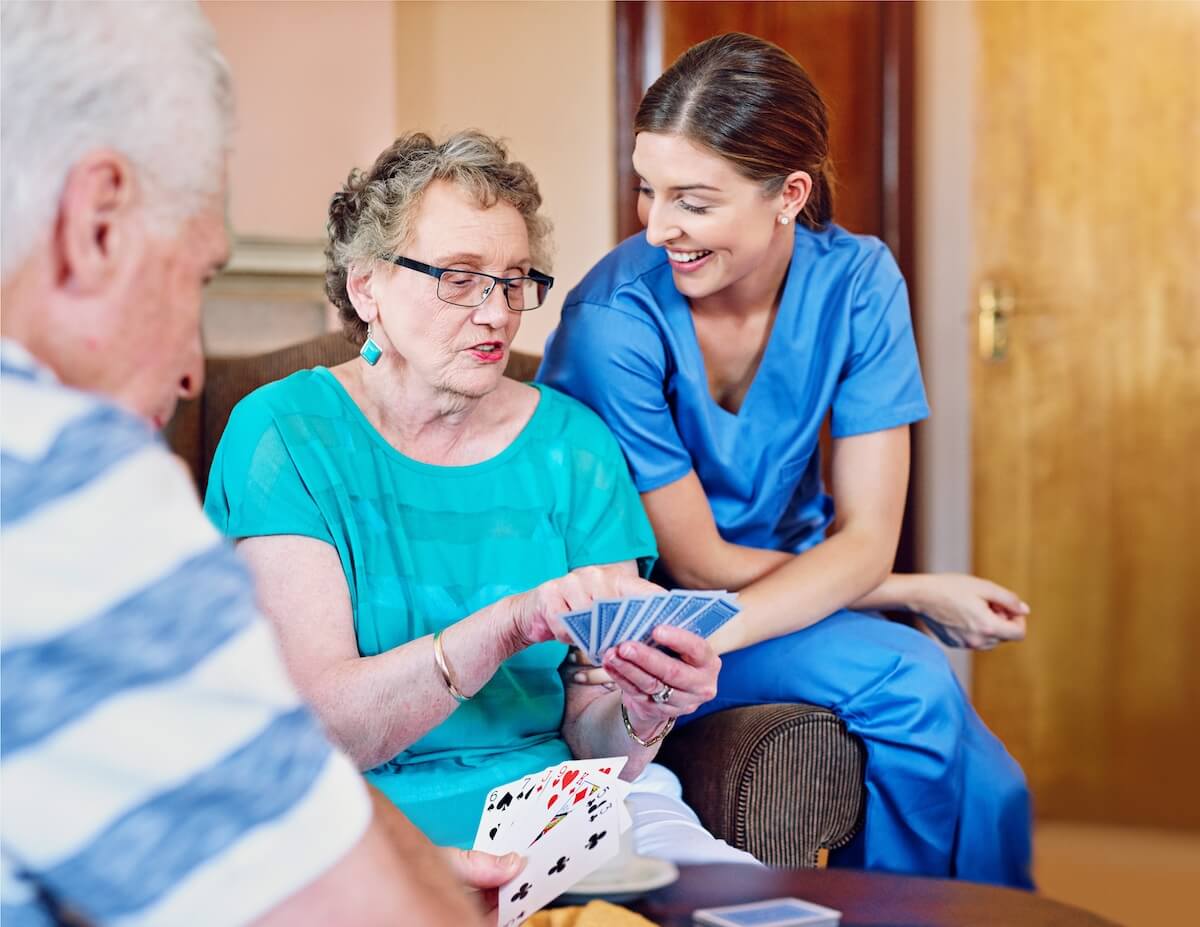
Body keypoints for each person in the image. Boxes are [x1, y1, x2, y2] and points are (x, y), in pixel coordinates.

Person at [0, 3, 520, 924]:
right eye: (199, 276)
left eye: (511, 282)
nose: (193, 366)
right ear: (98, 222)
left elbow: (265, 772)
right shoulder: (56, 478)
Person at [538, 32, 1033, 888]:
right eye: (647, 190)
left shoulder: (861, 281)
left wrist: (876, 579)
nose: (658, 228)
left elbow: (868, 535)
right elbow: (698, 561)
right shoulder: (614, 320)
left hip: (785, 600)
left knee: (994, 782)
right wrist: (909, 593)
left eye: (692, 199)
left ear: (789, 194)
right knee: (910, 677)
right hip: (658, 620)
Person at [201, 130, 756, 866]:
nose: (497, 312)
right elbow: (326, 732)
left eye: (514, 279)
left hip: (556, 814)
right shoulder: (284, 434)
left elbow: (600, 744)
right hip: (352, 817)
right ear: (367, 286)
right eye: (459, 277)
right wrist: (506, 626)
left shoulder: (575, 446)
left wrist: (644, 709)